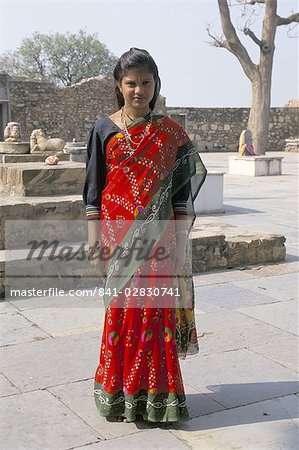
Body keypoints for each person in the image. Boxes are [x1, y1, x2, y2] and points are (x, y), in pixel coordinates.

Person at [83, 48, 207, 423]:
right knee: (121, 318)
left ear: (156, 85)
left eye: (146, 82)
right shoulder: (103, 129)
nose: (139, 90)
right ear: (119, 86)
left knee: (155, 320)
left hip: (161, 242)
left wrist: (182, 247)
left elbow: (181, 196)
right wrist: (93, 245)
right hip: (117, 240)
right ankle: (119, 397)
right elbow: (93, 192)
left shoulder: (170, 134)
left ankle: (158, 400)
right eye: (131, 83)